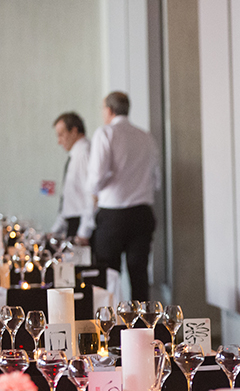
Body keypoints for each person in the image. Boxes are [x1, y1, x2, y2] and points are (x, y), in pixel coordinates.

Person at [87, 91, 161, 300]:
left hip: (113, 215)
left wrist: (95, 192)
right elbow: (156, 179)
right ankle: (142, 320)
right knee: (139, 275)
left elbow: (96, 178)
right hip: (142, 213)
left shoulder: (105, 133)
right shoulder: (146, 136)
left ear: (109, 110)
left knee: (109, 276)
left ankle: (109, 320)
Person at [52, 112, 93, 239]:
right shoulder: (76, 154)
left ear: (74, 131)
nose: (59, 141)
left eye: (61, 135)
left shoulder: (84, 153)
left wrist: (83, 232)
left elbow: (91, 194)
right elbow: (69, 198)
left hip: (81, 224)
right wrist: (56, 230)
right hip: (73, 222)